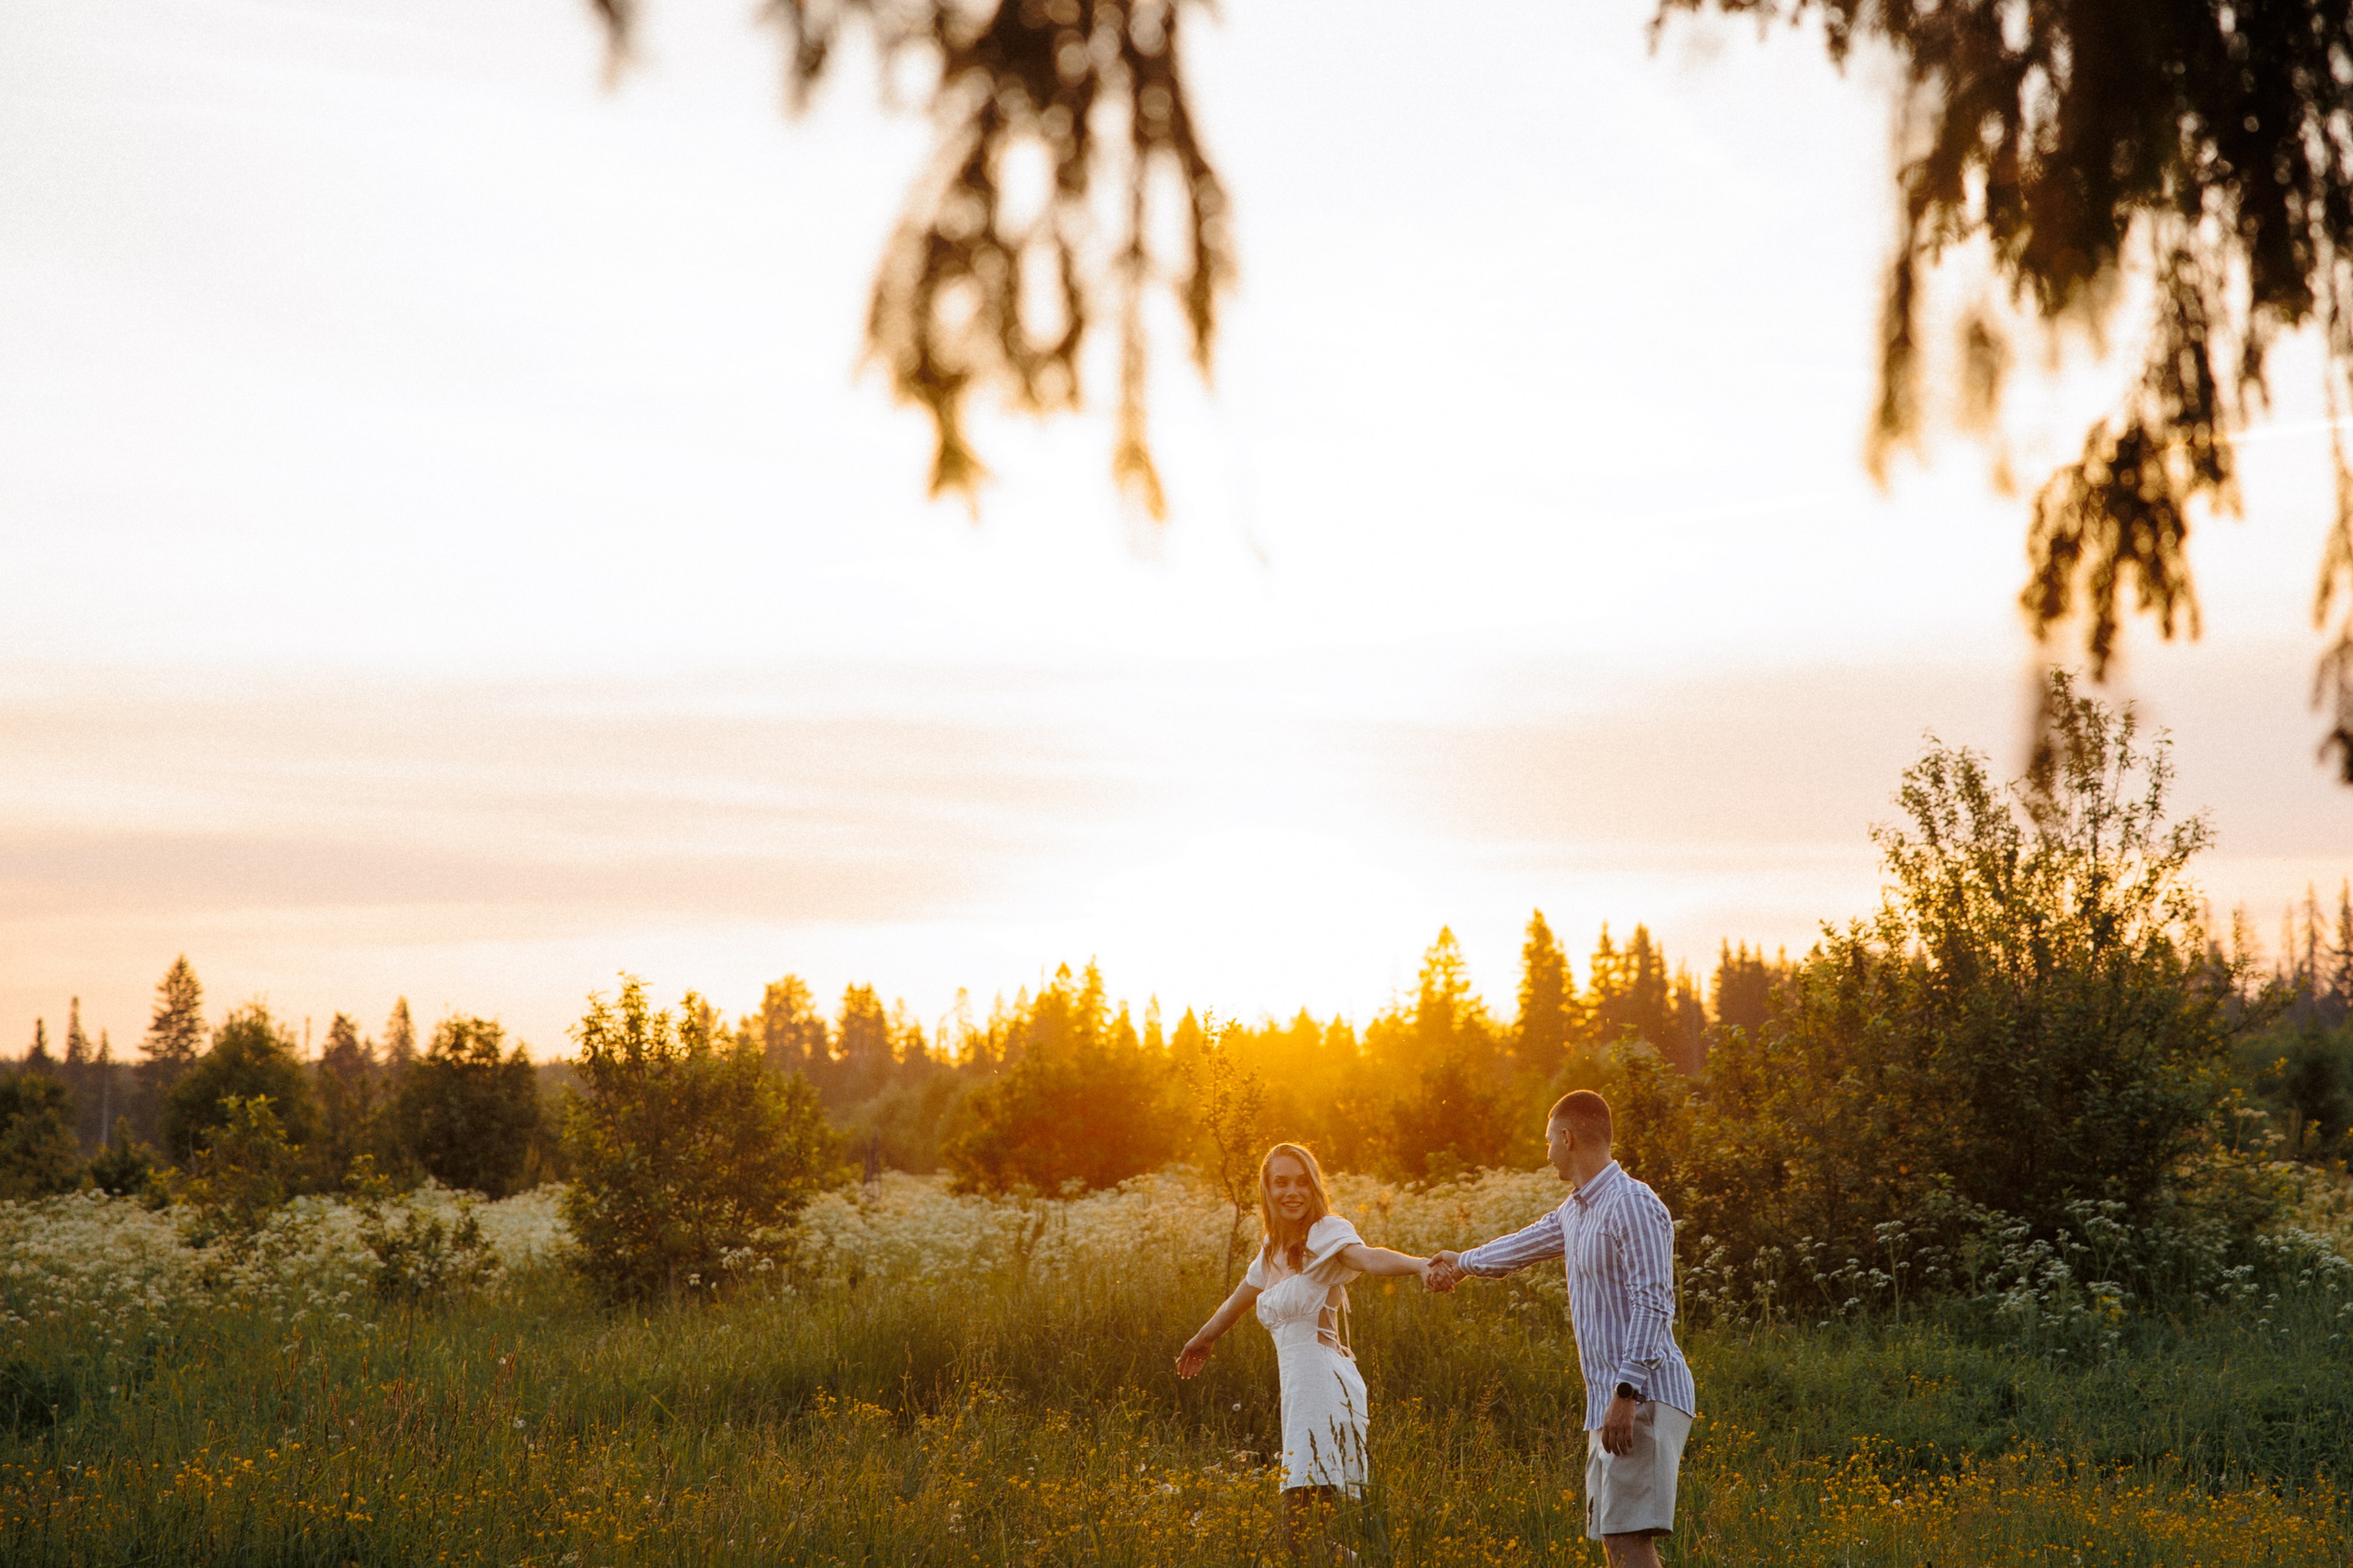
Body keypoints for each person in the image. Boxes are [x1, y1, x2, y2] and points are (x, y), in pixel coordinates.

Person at [1425, 1091, 1698, 1568]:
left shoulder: (1631, 1203)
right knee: (1617, 1542)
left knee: (1631, 1542)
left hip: (1643, 1396)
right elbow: (1522, 1246)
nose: (1546, 1151)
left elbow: (1654, 1304)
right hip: (1611, 1403)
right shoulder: (1577, 1210)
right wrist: (1461, 1262)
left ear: (1568, 1138)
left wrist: (1625, 1393)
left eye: (1549, 1140)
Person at [1177, 1142, 1432, 1556]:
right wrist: (1202, 1338)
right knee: (1301, 1536)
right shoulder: (1272, 1248)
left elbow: (1368, 1259)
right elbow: (1238, 1301)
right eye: (1281, 1183)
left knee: (1298, 1532)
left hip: (1323, 1388)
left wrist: (1419, 1265)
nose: (1291, 1192)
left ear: (1314, 1187)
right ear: (1267, 1189)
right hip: (1300, 1392)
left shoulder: (1325, 1233)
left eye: (1301, 1182)